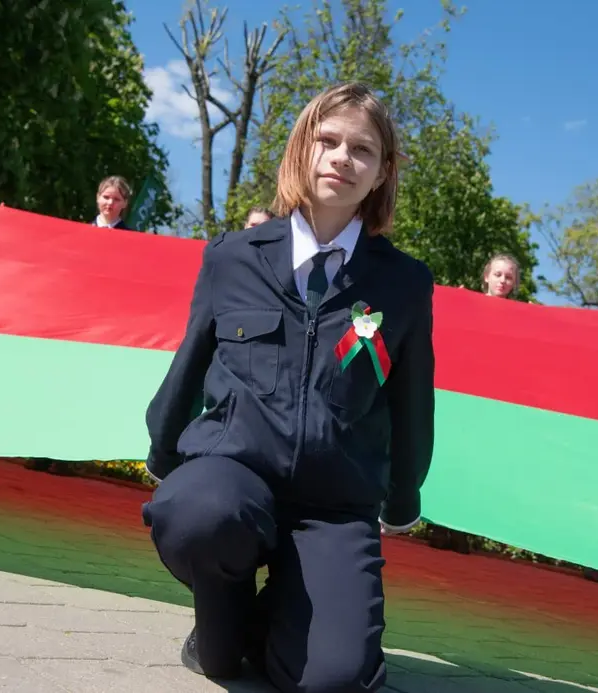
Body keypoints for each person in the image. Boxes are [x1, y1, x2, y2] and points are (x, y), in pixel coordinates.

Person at [140, 82, 435, 692]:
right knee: (198, 517)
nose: (341, 159)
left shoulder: (404, 284)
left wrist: (402, 498)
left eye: (363, 150)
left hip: (332, 507)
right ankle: (222, 625)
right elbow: (189, 363)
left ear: (382, 173)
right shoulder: (233, 258)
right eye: (327, 141)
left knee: (333, 680)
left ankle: (279, 616)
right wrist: (166, 454)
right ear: (303, 149)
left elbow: (412, 398)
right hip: (234, 478)